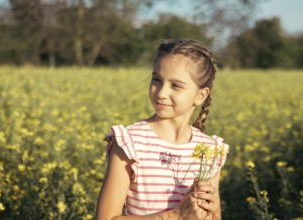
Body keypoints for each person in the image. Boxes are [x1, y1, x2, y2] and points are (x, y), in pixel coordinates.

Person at [96, 39, 229, 220]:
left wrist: (211, 210)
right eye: (156, 80)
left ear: (200, 95)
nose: (161, 93)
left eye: (175, 85)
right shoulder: (130, 143)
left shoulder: (210, 151)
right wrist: (175, 216)